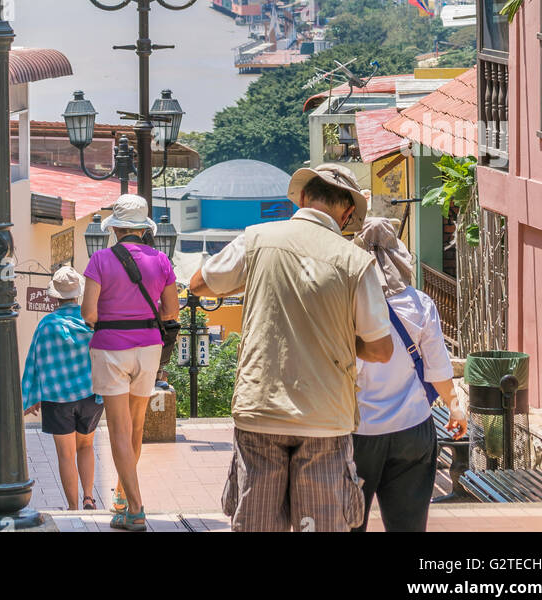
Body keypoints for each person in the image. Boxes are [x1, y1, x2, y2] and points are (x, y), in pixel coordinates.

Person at [191, 163, 394, 533]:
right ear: (348, 213)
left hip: (260, 408)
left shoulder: (256, 238)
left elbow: (199, 285)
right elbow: (381, 350)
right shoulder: (356, 262)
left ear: (302, 197)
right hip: (325, 415)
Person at [351, 216, 467, 533]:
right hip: (413, 430)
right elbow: (438, 369)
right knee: (409, 526)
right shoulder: (420, 303)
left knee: (347, 522)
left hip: (358, 434)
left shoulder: (348, 304)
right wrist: (455, 406)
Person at [81, 194, 179, 533]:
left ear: (117, 228)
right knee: (136, 427)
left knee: (118, 430)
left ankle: (135, 509)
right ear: (142, 228)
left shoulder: (100, 261)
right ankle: (122, 496)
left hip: (111, 349)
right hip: (149, 349)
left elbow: (89, 313)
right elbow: (171, 312)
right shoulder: (162, 261)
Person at [21, 264, 103, 510]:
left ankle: (73, 507)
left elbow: (35, 361)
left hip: (57, 399)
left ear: (54, 296)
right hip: (90, 394)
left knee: (66, 454)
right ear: (78, 293)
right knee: (86, 446)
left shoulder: (46, 325)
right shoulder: (90, 320)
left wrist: (31, 397)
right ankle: (88, 497)